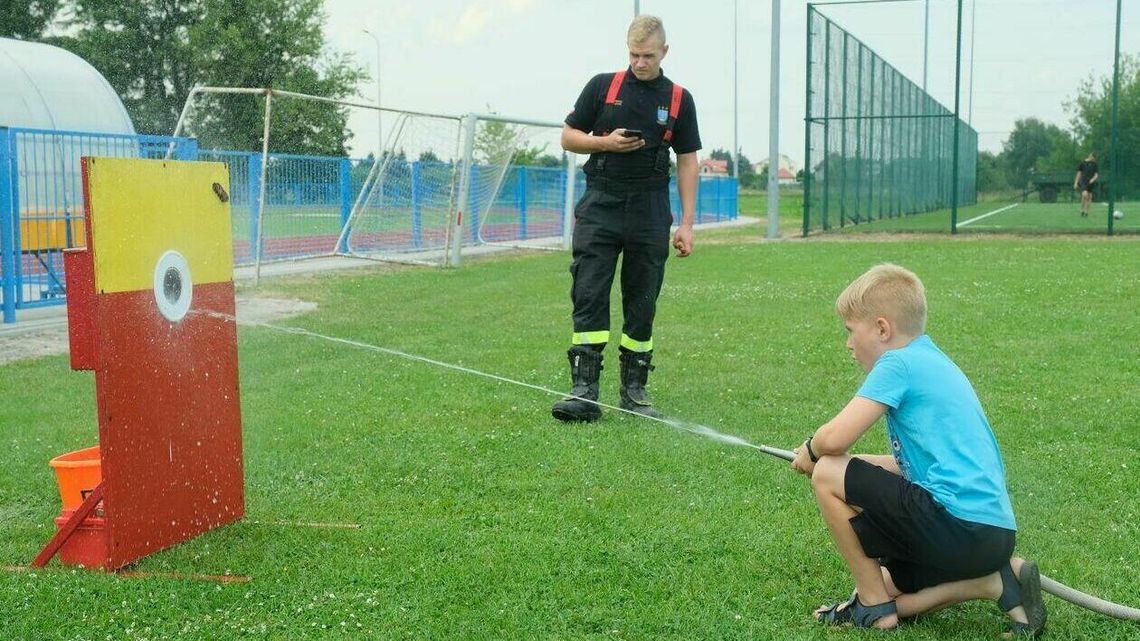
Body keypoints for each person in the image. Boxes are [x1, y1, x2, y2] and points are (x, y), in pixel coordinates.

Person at [790, 264, 1046, 636]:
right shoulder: (933, 359)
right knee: (892, 582)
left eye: (850, 332)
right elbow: (912, 466)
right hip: (988, 536)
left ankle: (872, 606)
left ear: (881, 328)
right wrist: (854, 466)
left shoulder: (898, 362)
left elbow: (834, 440)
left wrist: (813, 452)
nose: (847, 344)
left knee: (829, 470)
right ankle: (992, 583)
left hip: (959, 526)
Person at [551, 15, 701, 423]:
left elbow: (687, 160)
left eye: (647, 55)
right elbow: (568, 137)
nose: (639, 62)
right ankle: (584, 390)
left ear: (664, 52)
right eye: (633, 55)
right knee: (589, 290)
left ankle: (634, 389)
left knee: (642, 297)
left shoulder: (678, 99)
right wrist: (605, 144)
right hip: (600, 201)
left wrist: (686, 223)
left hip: (650, 208)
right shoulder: (602, 86)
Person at [1074, 152, 1098, 217]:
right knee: (1085, 195)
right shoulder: (1082, 163)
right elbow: (1079, 173)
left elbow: (1096, 175)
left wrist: (1093, 179)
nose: (1093, 159)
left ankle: (1086, 212)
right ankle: (1082, 210)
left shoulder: (1095, 164)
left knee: (1089, 197)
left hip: (1091, 183)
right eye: (1093, 157)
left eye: (1094, 158)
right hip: (1083, 182)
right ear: (1090, 156)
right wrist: (1076, 182)